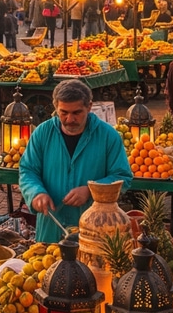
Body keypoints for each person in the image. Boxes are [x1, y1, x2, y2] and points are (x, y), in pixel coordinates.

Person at [18, 79, 132, 243]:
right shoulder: (42, 133)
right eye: (63, 112)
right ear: (56, 107)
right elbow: (28, 170)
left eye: (77, 113)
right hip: (51, 227)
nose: (70, 119)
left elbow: (123, 177)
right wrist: (36, 193)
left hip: (93, 230)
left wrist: (91, 190)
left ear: (89, 106)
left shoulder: (108, 136)